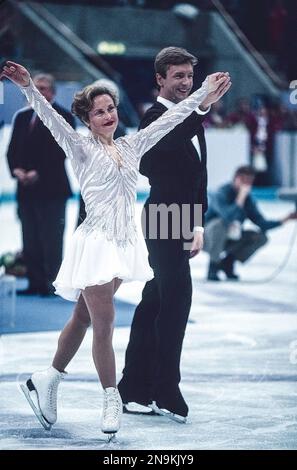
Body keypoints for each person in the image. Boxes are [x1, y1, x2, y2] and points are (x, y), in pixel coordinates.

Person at [1, 60, 231, 435]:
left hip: (123, 245)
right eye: (99, 111)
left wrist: (202, 96)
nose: (107, 115)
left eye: (110, 108)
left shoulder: (131, 145)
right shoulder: (79, 146)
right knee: (103, 324)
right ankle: (112, 399)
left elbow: (170, 122)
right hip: (95, 245)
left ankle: (47, 377)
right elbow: (48, 117)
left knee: (82, 318)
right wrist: (28, 87)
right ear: (87, 118)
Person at [118, 47, 231, 422]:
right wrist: (200, 105)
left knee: (156, 301)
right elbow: (158, 151)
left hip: (181, 217)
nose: (185, 83)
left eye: (189, 76)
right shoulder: (155, 117)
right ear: (160, 80)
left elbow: (198, 176)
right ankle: (165, 389)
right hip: (163, 214)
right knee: (176, 299)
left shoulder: (191, 120)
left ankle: (135, 386)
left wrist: (197, 225)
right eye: (178, 76)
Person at [7, 72, 75, 296]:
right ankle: (34, 282)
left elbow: (61, 152)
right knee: (30, 238)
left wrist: (38, 173)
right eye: (36, 87)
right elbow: (12, 150)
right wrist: (16, 170)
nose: (39, 91)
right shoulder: (22, 117)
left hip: (52, 189)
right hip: (25, 190)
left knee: (51, 239)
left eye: (44, 88)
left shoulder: (64, 116)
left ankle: (51, 283)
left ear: (53, 92)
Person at [204, 165, 297, 281]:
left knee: (259, 237)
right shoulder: (221, 193)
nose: (246, 184)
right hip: (206, 238)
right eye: (243, 180)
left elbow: (262, 223)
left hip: (230, 237)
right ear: (236, 178)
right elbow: (228, 216)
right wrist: (240, 198)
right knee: (219, 224)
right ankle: (213, 265)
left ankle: (227, 263)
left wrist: (286, 219)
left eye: (249, 181)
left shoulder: (248, 200)